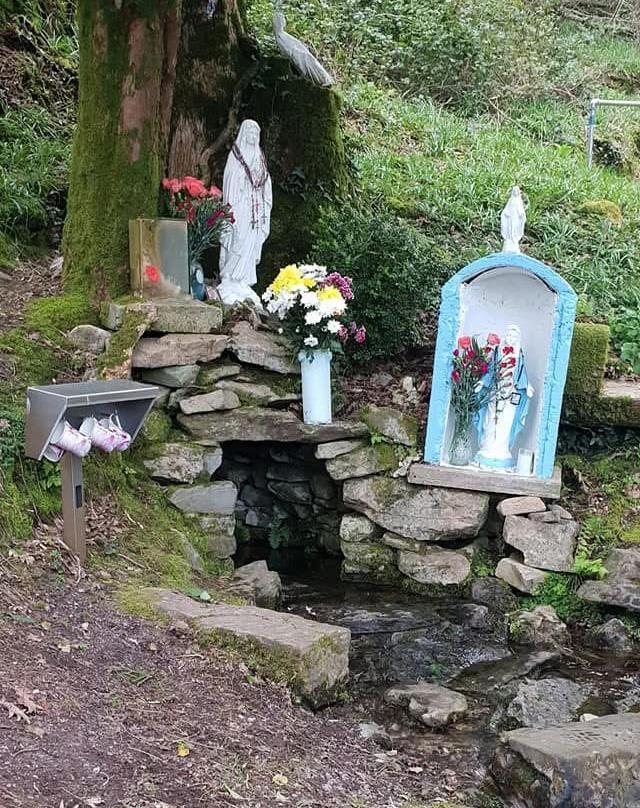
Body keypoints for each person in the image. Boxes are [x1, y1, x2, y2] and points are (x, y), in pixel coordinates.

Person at [217, 120, 272, 306]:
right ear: (243, 133)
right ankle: (229, 278)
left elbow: (266, 180)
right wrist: (244, 177)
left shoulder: (259, 157)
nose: (252, 135)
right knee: (237, 238)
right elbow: (230, 177)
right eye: (249, 131)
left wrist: (262, 179)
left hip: (255, 209)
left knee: (251, 240)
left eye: (256, 132)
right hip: (240, 205)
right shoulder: (236, 155)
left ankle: (242, 281)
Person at [475, 325, 534, 469]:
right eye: (509, 335)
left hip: (510, 394)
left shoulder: (518, 353)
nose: (511, 338)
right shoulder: (498, 351)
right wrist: (482, 382)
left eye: (514, 336)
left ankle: (502, 449)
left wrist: (527, 386)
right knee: (490, 420)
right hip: (495, 392)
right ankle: (487, 447)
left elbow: (521, 372)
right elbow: (491, 369)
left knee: (506, 421)